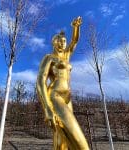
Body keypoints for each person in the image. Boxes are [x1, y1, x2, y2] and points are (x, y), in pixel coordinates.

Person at [36, 16, 89, 150]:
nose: (63, 43)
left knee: (62, 139)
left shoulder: (66, 56)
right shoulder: (49, 58)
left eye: (64, 41)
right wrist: (47, 108)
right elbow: (40, 82)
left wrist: (76, 27)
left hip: (67, 98)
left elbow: (74, 41)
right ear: (54, 43)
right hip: (55, 95)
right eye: (60, 41)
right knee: (80, 141)